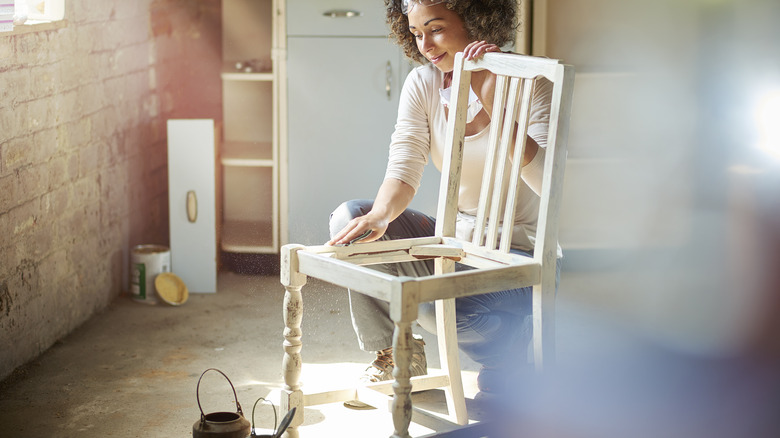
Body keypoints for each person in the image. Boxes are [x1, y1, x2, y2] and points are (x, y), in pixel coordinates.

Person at [327, 0, 560, 401]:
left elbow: (547, 184)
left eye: (435, 28)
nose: (426, 46)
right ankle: (399, 355)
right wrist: (381, 215)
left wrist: (492, 101)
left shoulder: (533, 81)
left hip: (523, 258)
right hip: (457, 245)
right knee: (351, 220)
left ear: (477, 18)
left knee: (440, 302)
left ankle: (507, 359)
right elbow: (404, 164)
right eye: (416, 33)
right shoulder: (424, 83)